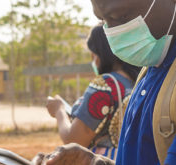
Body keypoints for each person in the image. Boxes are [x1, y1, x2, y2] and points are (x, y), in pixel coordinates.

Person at [0, 0, 176, 164]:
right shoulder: (156, 66)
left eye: (121, 16)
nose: (114, 33)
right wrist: (92, 162)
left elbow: (73, 134)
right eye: (104, 21)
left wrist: (58, 113)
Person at [46, 25, 140, 160]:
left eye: (93, 54)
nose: (93, 60)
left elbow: (74, 140)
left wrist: (59, 110)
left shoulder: (105, 84)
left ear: (102, 53)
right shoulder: (137, 81)